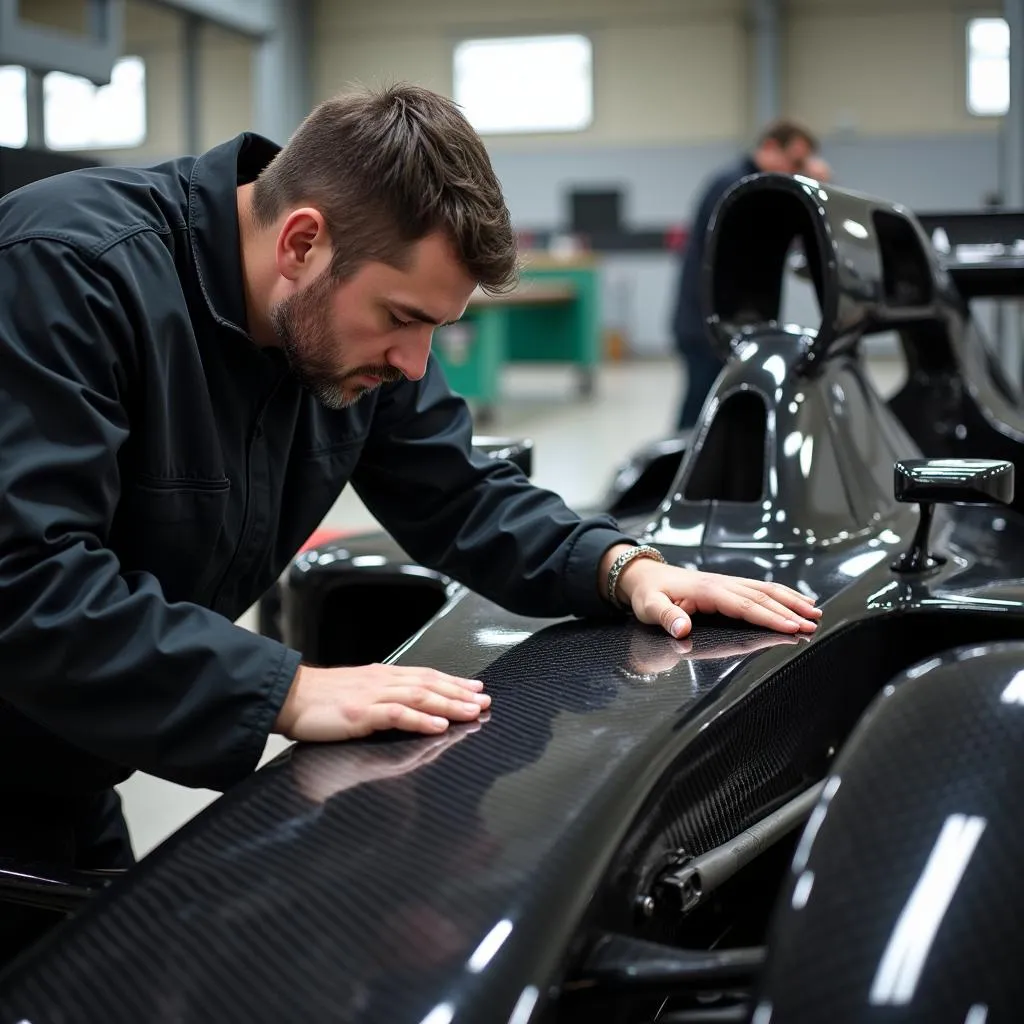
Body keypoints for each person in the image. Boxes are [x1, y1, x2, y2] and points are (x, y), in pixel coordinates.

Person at [0, 83, 822, 950]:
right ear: (302, 242)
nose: (413, 360)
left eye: (437, 328)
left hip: (67, 764)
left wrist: (626, 568)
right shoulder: (63, 270)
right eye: (400, 319)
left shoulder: (345, 321)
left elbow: (460, 490)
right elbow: (23, 577)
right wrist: (286, 689)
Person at [669, 118, 821, 433]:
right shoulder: (736, 186)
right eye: (795, 162)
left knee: (719, 413)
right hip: (707, 326)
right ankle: (677, 474)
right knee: (698, 414)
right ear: (768, 148)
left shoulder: (756, 186)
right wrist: (813, 188)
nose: (797, 171)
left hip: (730, 324)